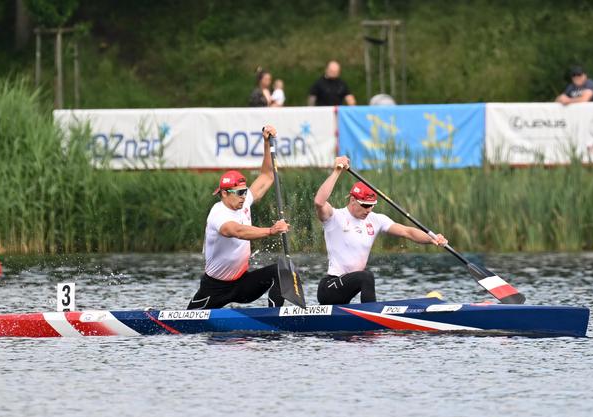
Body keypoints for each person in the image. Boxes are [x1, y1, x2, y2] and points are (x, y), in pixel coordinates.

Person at [313, 156, 448, 305]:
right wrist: (337, 171)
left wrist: (432, 238)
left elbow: (407, 232)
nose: (368, 210)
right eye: (365, 205)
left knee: (365, 276)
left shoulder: (376, 219)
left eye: (372, 205)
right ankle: (373, 316)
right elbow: (319, 202)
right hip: (330, 287)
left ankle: (370, 314)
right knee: (366, 276)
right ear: (352, 200)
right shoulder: (334, 217)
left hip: (348, 290)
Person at [187, 125, 290, 310]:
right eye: (240, 192)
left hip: (242, 283)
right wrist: (270, 230)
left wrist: (266, 143)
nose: (245, 196)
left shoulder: (243, 201)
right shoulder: (218, 213)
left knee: (282, 270)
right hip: (214, 288)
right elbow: (236, 231)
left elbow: (267, 176)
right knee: (184, 329)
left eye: (245, 191)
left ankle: (276, 319)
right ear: (225, 193)